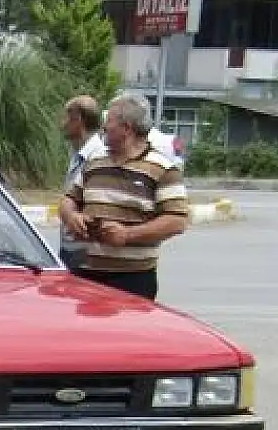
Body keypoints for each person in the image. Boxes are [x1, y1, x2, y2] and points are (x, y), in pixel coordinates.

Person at [58, 91, 190, 302]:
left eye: (109, 121)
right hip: (85, 274)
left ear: (126, 128)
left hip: (133, 280)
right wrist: (71, 217)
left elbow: (177, 221)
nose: (103, 128)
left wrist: (128, 235)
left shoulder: (163, 168)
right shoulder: (95, 161)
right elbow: (69, 200)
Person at [58, 95, 106, 272]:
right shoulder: (77, 154)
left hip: (86, 250)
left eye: (66, 118)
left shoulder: (98, 158)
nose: (62, 124)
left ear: (78, 119)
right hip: (70, 245)